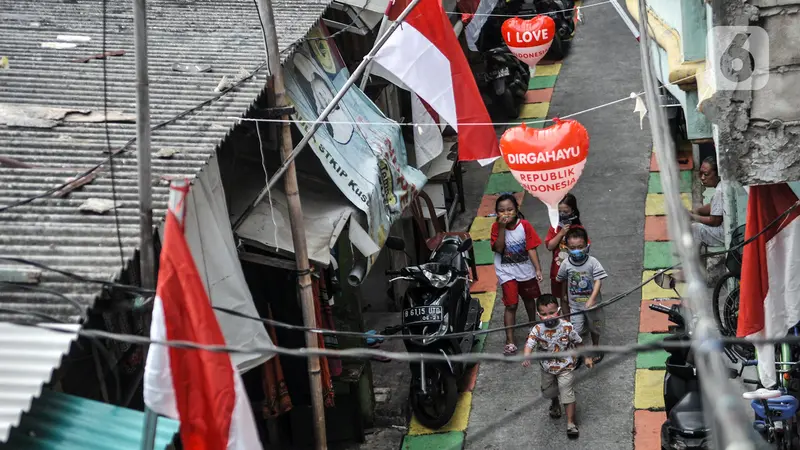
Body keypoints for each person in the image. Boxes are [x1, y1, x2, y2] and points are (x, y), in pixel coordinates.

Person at [523, 294, 593, 438]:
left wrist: (586, 357)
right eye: (543, 314)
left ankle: (571, 424)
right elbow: (529, 344)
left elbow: (579, 342)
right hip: (547, 367)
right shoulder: (537, 329)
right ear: (538, 314)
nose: (548, 317)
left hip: (566, 366)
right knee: (548, 391)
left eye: (551, 313)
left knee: (567, 394)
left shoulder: (567, 327)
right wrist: (527, 356)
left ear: (559, 311)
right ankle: (555, 402)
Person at [490, 193, 544, 355]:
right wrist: (500, 228)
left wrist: (538, 268)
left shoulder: (524, 225)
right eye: (501, 210)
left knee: (529, 299)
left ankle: (533, 328)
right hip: (506, 271)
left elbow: (531, 248)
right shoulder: (496, 227)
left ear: (516, 210)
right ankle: (510, 340)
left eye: (509, 209)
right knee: (511, 304)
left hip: (525, 269)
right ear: (497, 213)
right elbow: (498, 248)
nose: (506, 213)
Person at [556, 228, 607, 362]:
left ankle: (595, 348)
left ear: (587, 246)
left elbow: (598, 281)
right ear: (567, 248)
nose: (576, 250)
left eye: (580, 247)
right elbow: (562, 279)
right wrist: (564, 296)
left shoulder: (593, 262)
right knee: (576, 330)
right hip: (575, 306)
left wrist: (592, 299)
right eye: (573, 248)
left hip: (593, 305)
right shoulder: (566, 263)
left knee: (595, 327)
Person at [545, 194, 590, 313]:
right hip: (558, 270)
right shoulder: (554, 228)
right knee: (563, 299)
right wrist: (561, 233)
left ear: (573, 211)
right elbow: (550, 246)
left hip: (577, 271)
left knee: (578, 298)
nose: (562, 214)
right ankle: (567, 323)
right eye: (559, 212)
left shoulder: (579, 228)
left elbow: (587, 247)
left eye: (566, 211)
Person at [688, 157, 724, 248]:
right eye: (701, 174)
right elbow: (712, 206)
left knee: (694, 228)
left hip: (724, 235)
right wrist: (694, 211)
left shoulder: (720, 191)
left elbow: (715, 221)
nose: (702, 177)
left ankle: (693, 259)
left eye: (706, 174)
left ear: (718, 174)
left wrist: (692, 217)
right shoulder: (723, 186)